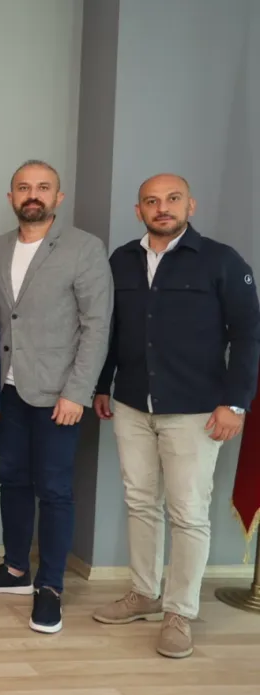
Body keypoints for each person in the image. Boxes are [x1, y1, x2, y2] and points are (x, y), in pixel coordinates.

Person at [92, 173, 260, 659]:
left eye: (172, 199)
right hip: (132, 403)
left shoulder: (222, 261)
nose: (161, 207)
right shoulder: (122, 260)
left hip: (197, 411)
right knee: (140, 502)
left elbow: (248, 335)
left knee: (188, 513)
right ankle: (144, 593)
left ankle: (179, 613)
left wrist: (236, 402)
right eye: (151, 201)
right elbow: (113, 330)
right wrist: (103, 385)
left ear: (191, 205)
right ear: (139, 210)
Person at [0, 160, 112, 635]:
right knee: (12, 480)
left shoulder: (85, 249)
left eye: (43, 188)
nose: (33, 195)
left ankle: (50, 587)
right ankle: (14, 570)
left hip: (58, 396)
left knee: (55, 489)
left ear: (57, 198)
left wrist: (77, 393)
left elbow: (96, 326)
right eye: (24, 187)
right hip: (6, 392)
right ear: (11, 197)